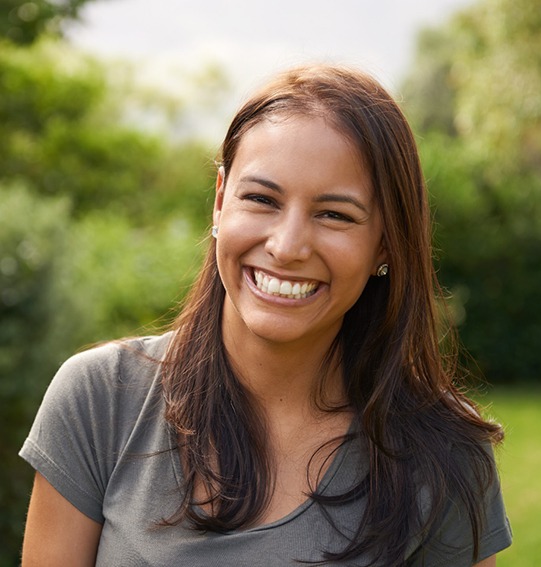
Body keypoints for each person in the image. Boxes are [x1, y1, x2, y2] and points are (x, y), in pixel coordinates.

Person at [19, 64, 512, 566]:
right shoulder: (99, 400)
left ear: (385, 242)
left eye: (334, 214)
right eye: (261, 199)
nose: (287, 245)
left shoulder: (446, 455)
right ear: (219, 201)